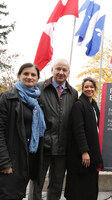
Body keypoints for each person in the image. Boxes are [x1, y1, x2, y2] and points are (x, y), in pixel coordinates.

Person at [29, 59, 78, 200]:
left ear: (68, 73)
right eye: (58, 69)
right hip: (42, 145)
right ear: (52, 70)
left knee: (56, 184)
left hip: (62, 147)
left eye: (64, 70)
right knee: (36, 181)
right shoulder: (38, 87)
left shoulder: (73, 93)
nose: (61, 73)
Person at [0, 63, 46, 200]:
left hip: (28, 157)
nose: (29, 77)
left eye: (33, 75)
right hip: (11, 158)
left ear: (37, 79)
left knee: (19, 194)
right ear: (19, 76)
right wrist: (4, 162)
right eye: (26, 73)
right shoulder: (7, 97)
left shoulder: (37, 101)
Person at [64, 77, 102, 200]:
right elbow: (78, 130)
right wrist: (84, 152)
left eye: (91, 87)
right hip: (80, 154)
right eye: (86, 86)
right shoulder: (79, 105)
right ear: (82, 88)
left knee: (89, 186)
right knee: (78, 187)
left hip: (93, 152)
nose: (89, 89)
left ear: (95, 89)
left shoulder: (94, 106)